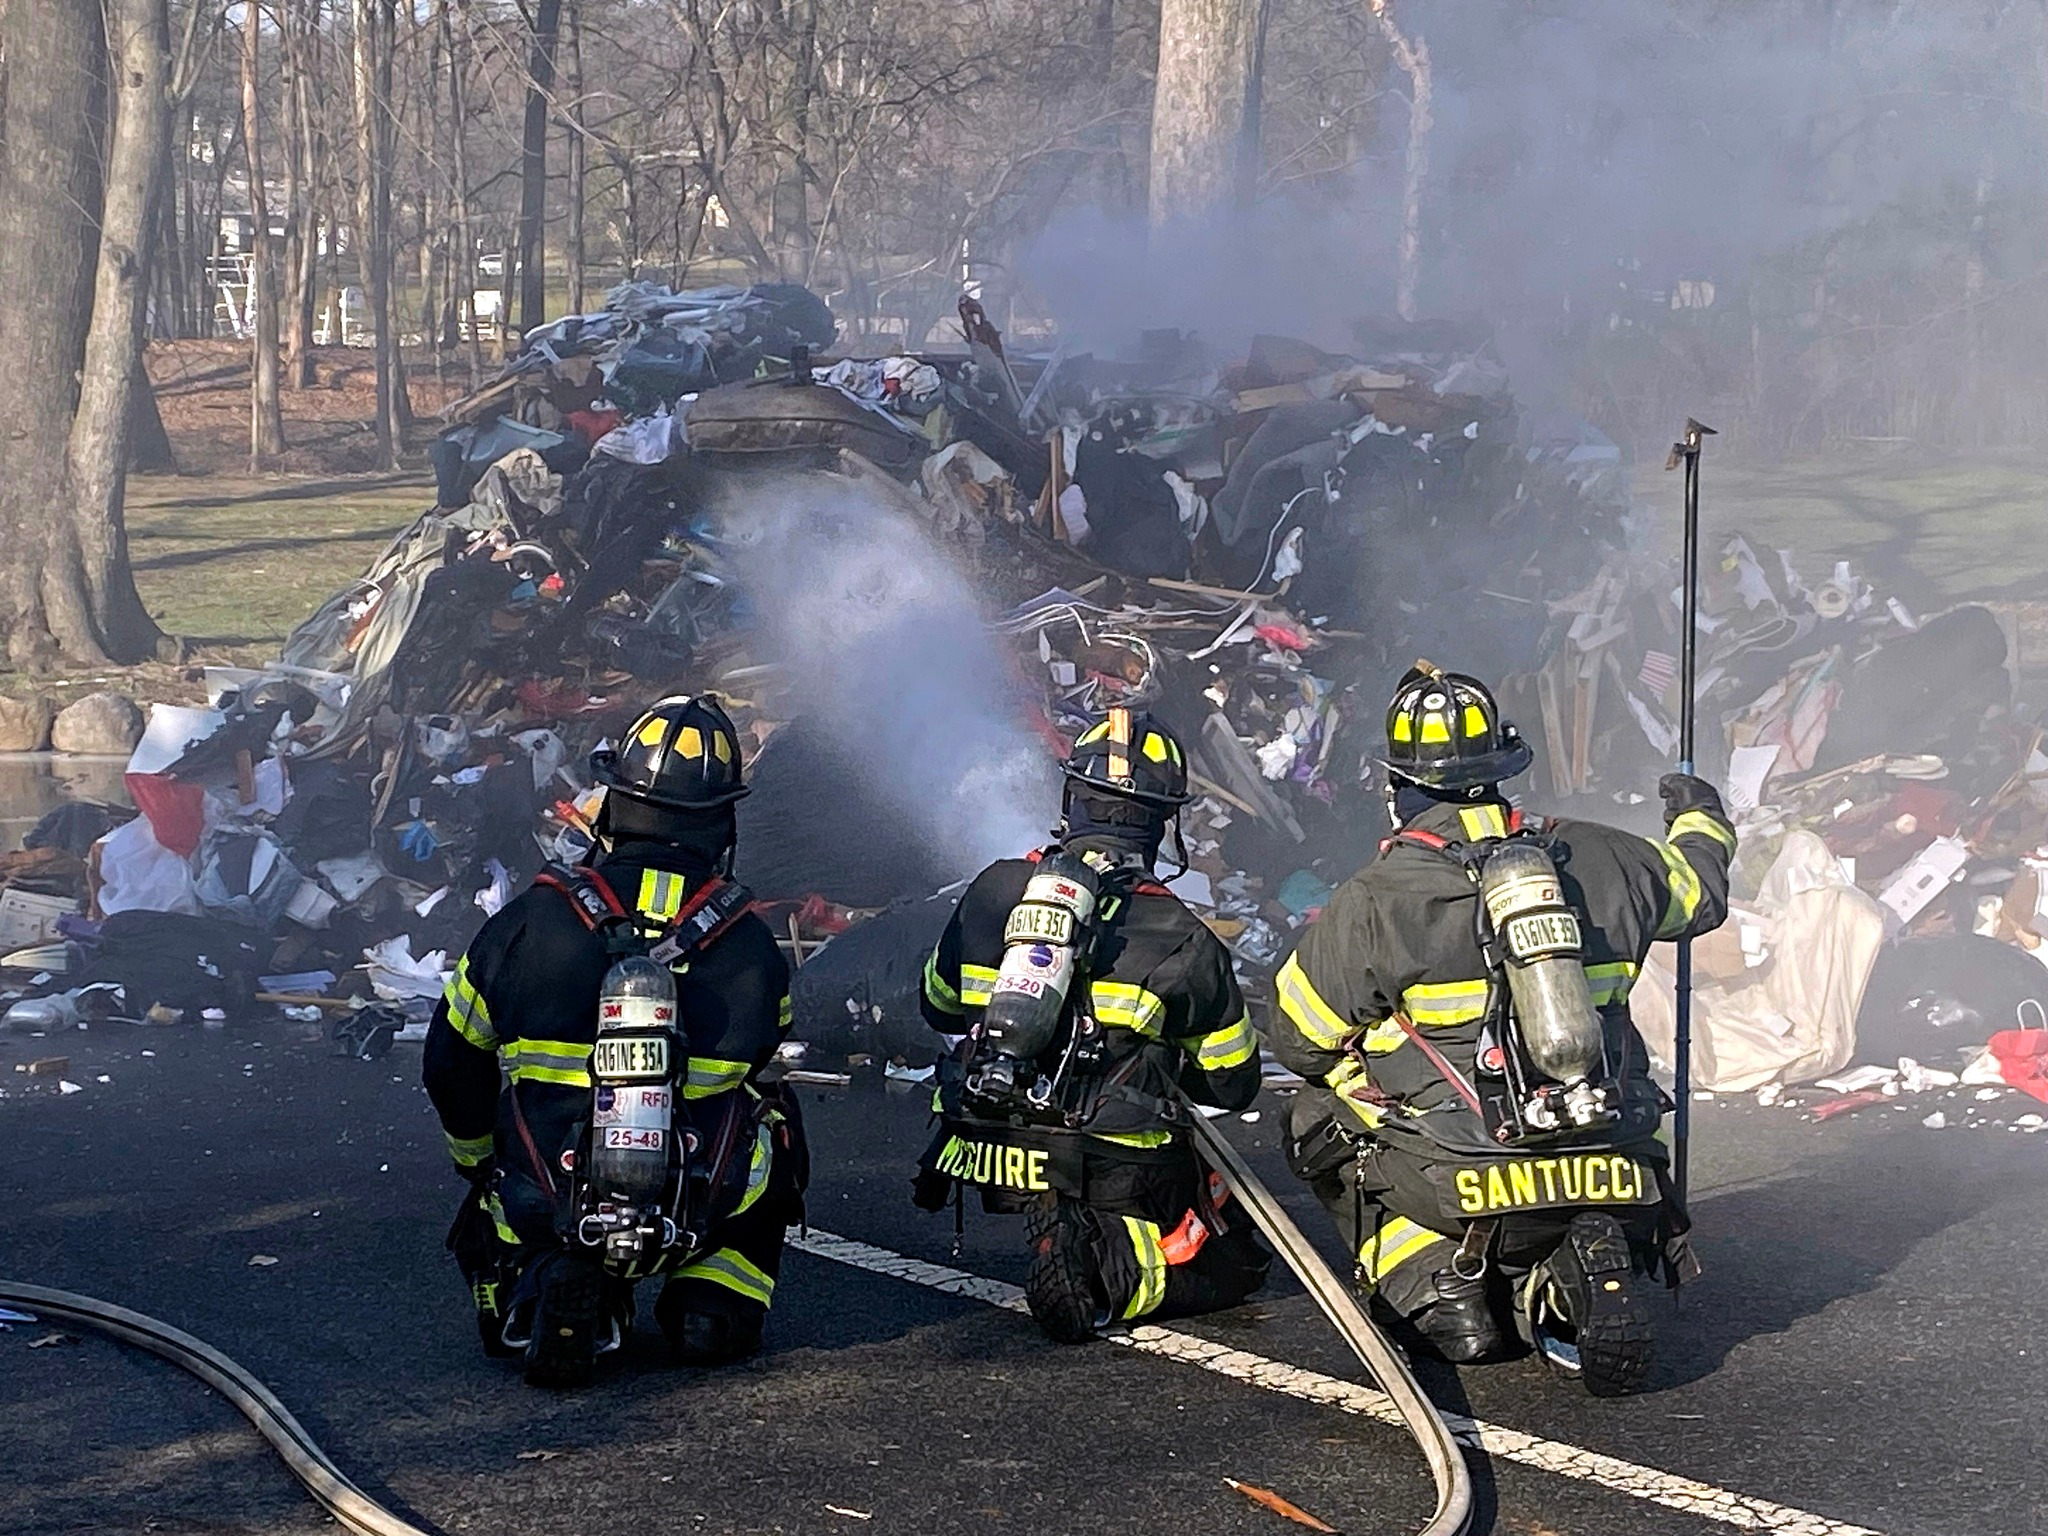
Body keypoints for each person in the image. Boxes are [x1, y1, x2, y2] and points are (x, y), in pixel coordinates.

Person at [1270, 664, 1734, 1393]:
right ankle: (1567, 1268)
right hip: (1616, 1140)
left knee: (1314, 1113)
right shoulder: (1612, 856)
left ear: (1399, 787)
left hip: (1468, 1168)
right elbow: (1701, 897)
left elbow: (1298, 1040)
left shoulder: (1375, 898)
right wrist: (1700, 815)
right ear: (1506, 768)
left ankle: (1433, 1286)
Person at [423, 695, 804, 1388]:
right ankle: (715, 1301)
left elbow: (450, 1057)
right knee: (776, 1117)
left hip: (550, 1192)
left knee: (503, 1178)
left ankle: (542, 1279)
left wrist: (476, 1161)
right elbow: (766, 1052)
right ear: (723, 817)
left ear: (615, 802)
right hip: (697, 1203)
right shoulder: (751, 943)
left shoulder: (533, 919)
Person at [916, 707, 1270, 1342]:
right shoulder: (1184, 936)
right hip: (1102, 1155)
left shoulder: (995, 888)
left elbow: (938, 1006)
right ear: (1162, 821)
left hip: (979, 1139)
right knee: (1236, 1255)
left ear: (1072, 797)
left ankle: (1072, 1228)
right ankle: (1112, 1261)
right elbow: (1232, 1084)